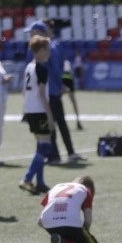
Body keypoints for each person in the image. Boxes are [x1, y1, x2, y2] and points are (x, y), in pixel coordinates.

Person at [25, 20, 81, 163]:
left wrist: (60, 83)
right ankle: (68, 152)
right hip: (51, 90)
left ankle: (54, 154)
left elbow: (55, 68)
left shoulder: (48, 47)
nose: (31, 35)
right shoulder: (52, 45)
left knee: (52, 123)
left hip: (49, 90)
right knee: (59, 122)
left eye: (33, 32)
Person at [18, 36, 56, 195]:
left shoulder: (29, 67)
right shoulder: (41, 68)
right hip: (39, 111)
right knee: (46, 146)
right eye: (47, 49)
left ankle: (40, 182)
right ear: (40, 50)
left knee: (40, 145)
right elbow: (41, 93)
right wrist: (49, 115)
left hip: (30, 110)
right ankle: (27, 179)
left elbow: (23, 91)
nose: (49, 52)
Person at [38, 175, 102, 243]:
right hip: (71, 223)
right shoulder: (86, 190)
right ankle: (65, 242)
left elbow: (40, 221)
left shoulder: (57, 187)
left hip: (48, 223)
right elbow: (88, 221)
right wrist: (80, 240)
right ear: (90, 188)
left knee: (60, 231)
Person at [62, 56, 84, 131]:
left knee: (55, 101)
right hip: (69, 78)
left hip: (62, 78)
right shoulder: (66, 61)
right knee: (73, 102)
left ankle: (54, 120)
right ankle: (78, 121)